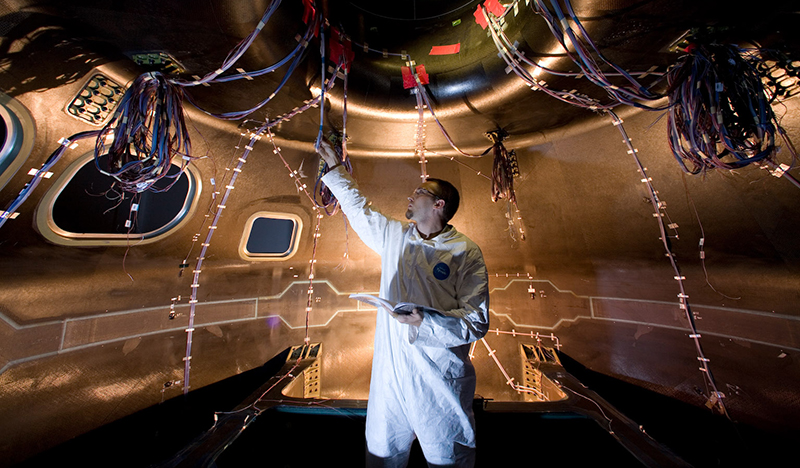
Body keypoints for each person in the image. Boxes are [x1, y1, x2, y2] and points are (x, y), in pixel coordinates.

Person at [317, 140, 490, 467]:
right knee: (382, 458)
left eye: (419, 193)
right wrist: (336, 170)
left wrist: (425, 322)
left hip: (439, 384)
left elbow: (476, 322)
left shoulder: (465, 252)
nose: (411, 196)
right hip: (390, 380)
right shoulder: (395, 236)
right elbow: (359, 210)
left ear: (439, 204)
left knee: (448, 461)